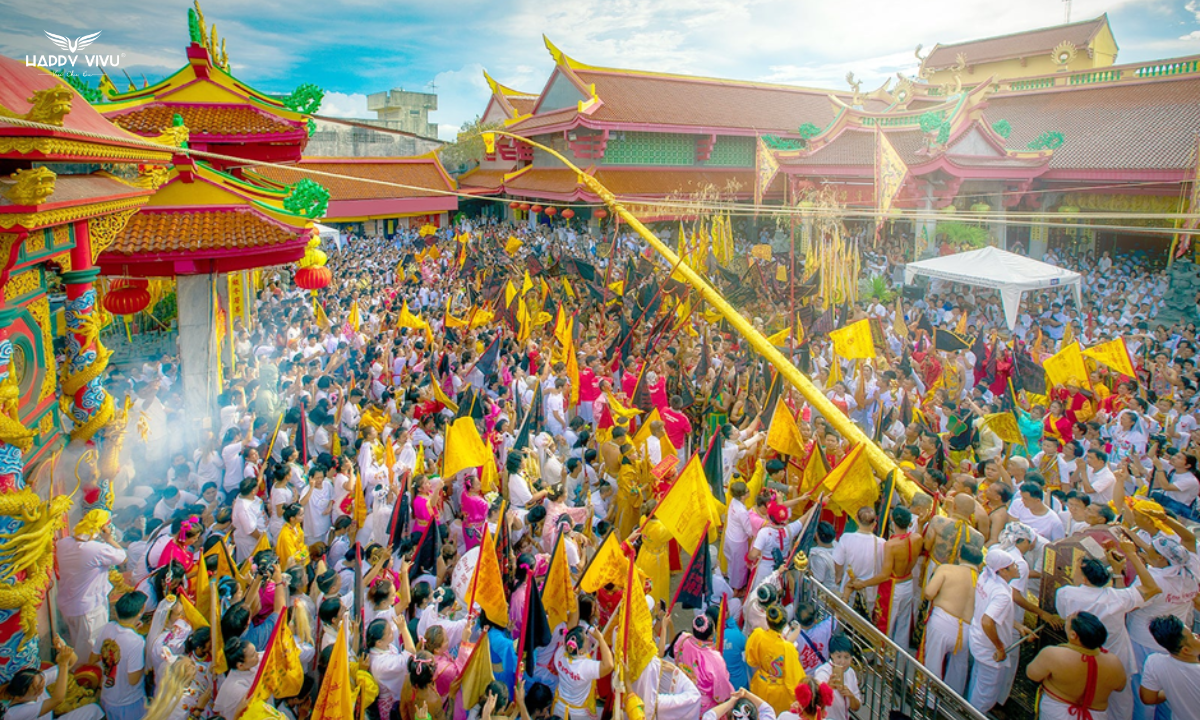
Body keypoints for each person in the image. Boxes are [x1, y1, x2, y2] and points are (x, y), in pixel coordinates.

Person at [1026, 612, 1128, 720]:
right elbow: (1120, 687)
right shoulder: (1114, 662)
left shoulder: (1053, 654)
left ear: (1073, 635)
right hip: (1095, 716)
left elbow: (1032, 674)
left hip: (1057, 713)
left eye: (1068, 621)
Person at [56, 510, 127, 661]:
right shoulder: (97, 550)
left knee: (77, 643)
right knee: (91, 648)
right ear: (101, 528)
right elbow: (122, 557)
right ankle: (87, 678)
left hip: (68, 605)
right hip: (88, 609)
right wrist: (108, 539)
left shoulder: (63, 544)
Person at [921, 543, 981, 694]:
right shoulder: (982, 582)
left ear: (960, 555)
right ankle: (950, 704)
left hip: (943, 622)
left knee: (932, 664)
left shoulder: (946, 569)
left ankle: (927, 700)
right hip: (967, 630)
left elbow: (929, 593)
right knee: (958, 670)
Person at [966, 550, 1021, 713]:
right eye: (1013, 566)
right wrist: (1000, 647)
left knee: (977, 682)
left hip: (977, 639)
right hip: (989, 648)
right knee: (984, 695)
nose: (1017, 568)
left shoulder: (985, 576)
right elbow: (987, 621)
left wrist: (1018, 626)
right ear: (1002, 571)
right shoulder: (1002, 594)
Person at [3, 636, 102, 720]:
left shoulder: (37, 681)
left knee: (94, 710)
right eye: (36, 689)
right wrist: (63, 664)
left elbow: (72, 661)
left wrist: (64, 649)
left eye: (41, 682)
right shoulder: (15, 713)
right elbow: (58, 699)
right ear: (19, 698)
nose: (41, 688)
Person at [91, 591, 149, 720]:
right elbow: (133, 679)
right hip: (129, 703)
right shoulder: (136, 641)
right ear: (141, 610)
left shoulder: (108, 627)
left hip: (107, 696)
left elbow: (93, 658)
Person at [745, 605, 805, 714]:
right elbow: (795, 678)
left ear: (767, 621)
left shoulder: (758, 635)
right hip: (779, 693)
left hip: (761, 685)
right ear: (784, 624)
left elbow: (751, 660)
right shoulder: (788, 648)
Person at [1142, 614, 1200, 719]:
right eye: (1192, 636)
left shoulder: (1154, 663)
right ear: (1186, 650)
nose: (1197, 635)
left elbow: (1148, 698)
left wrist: (1172, 690)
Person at [808, 635, 861, 720]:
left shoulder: (851, 672)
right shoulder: (823, 672)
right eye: (839, 656)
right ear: (832, 655)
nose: (843, 662)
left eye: (846, 657)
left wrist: (850, 696)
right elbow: (814, 700)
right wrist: (828, 687)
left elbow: (856, 707)